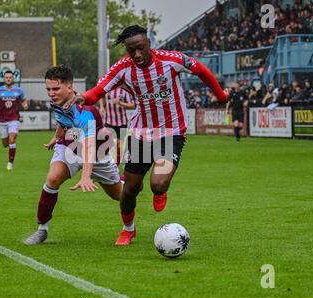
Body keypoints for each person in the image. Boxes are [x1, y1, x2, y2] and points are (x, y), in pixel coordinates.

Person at [65, 25, 229, 245]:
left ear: (149, 44)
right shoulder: (123, 68)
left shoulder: (171, 60)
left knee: (158, 184)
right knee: (130, 189)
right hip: (141, 135)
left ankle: (160, 191)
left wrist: (220, 95)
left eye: (141, 48)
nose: (137, 55)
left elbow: (201, 70)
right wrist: (83, 98)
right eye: (132, 51)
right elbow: (99, 91)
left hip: (171, 132)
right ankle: (128, 229)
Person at [23, 65, 123, 245]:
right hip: (70, 144)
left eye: (55, 89)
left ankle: (127, 181)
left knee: (121, 196)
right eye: (48, 89)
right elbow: (63, 120)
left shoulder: (84, 109)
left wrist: (85, 177)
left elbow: (89, 146)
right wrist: (56, 137)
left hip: (96, 151)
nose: (51, 93)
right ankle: (42, 230)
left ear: (70, 87)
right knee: (52, 179)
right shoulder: (57, 101)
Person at [0, 70, 28, 170]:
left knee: (12, 140)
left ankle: (10, 162)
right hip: (2, 120)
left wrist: (25, 105)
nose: (8, 79)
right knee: (5, 143)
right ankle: (9, 147)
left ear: (13, 78)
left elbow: (23, 100)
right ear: (4, 79)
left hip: (14, 119)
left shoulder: (19, 90)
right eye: (6, 77)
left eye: (10, 77)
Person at [99, 87, 135, 166]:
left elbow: (132, 105)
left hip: (122, 122)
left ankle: (117, 164)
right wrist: (101, 107)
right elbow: (101, 96)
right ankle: (111, 164)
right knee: (112, 143)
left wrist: (120, 103)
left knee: (119, 146)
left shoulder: (124, 91)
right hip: (109, 121)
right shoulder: (107, 88)